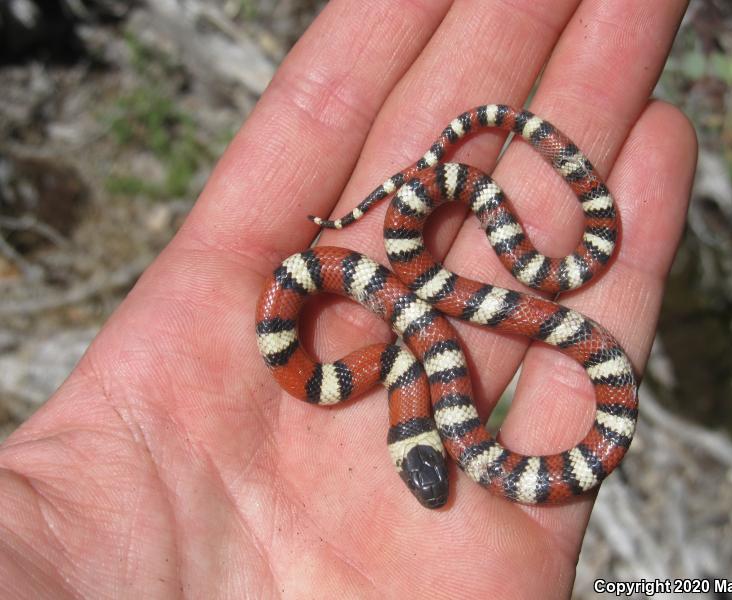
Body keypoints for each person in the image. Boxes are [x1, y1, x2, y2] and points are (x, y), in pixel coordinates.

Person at [0, 1, 696, 597]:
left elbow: (411, 352)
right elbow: (412, 356)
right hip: (411, 317)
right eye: (441, 463)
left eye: (432, 466)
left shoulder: (384, 365)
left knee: (538, 264)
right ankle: (490, 180)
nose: (444, 474)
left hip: (415, 298)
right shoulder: (394, 367)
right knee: (493, 287)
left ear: (407, 442)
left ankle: (489, 184)